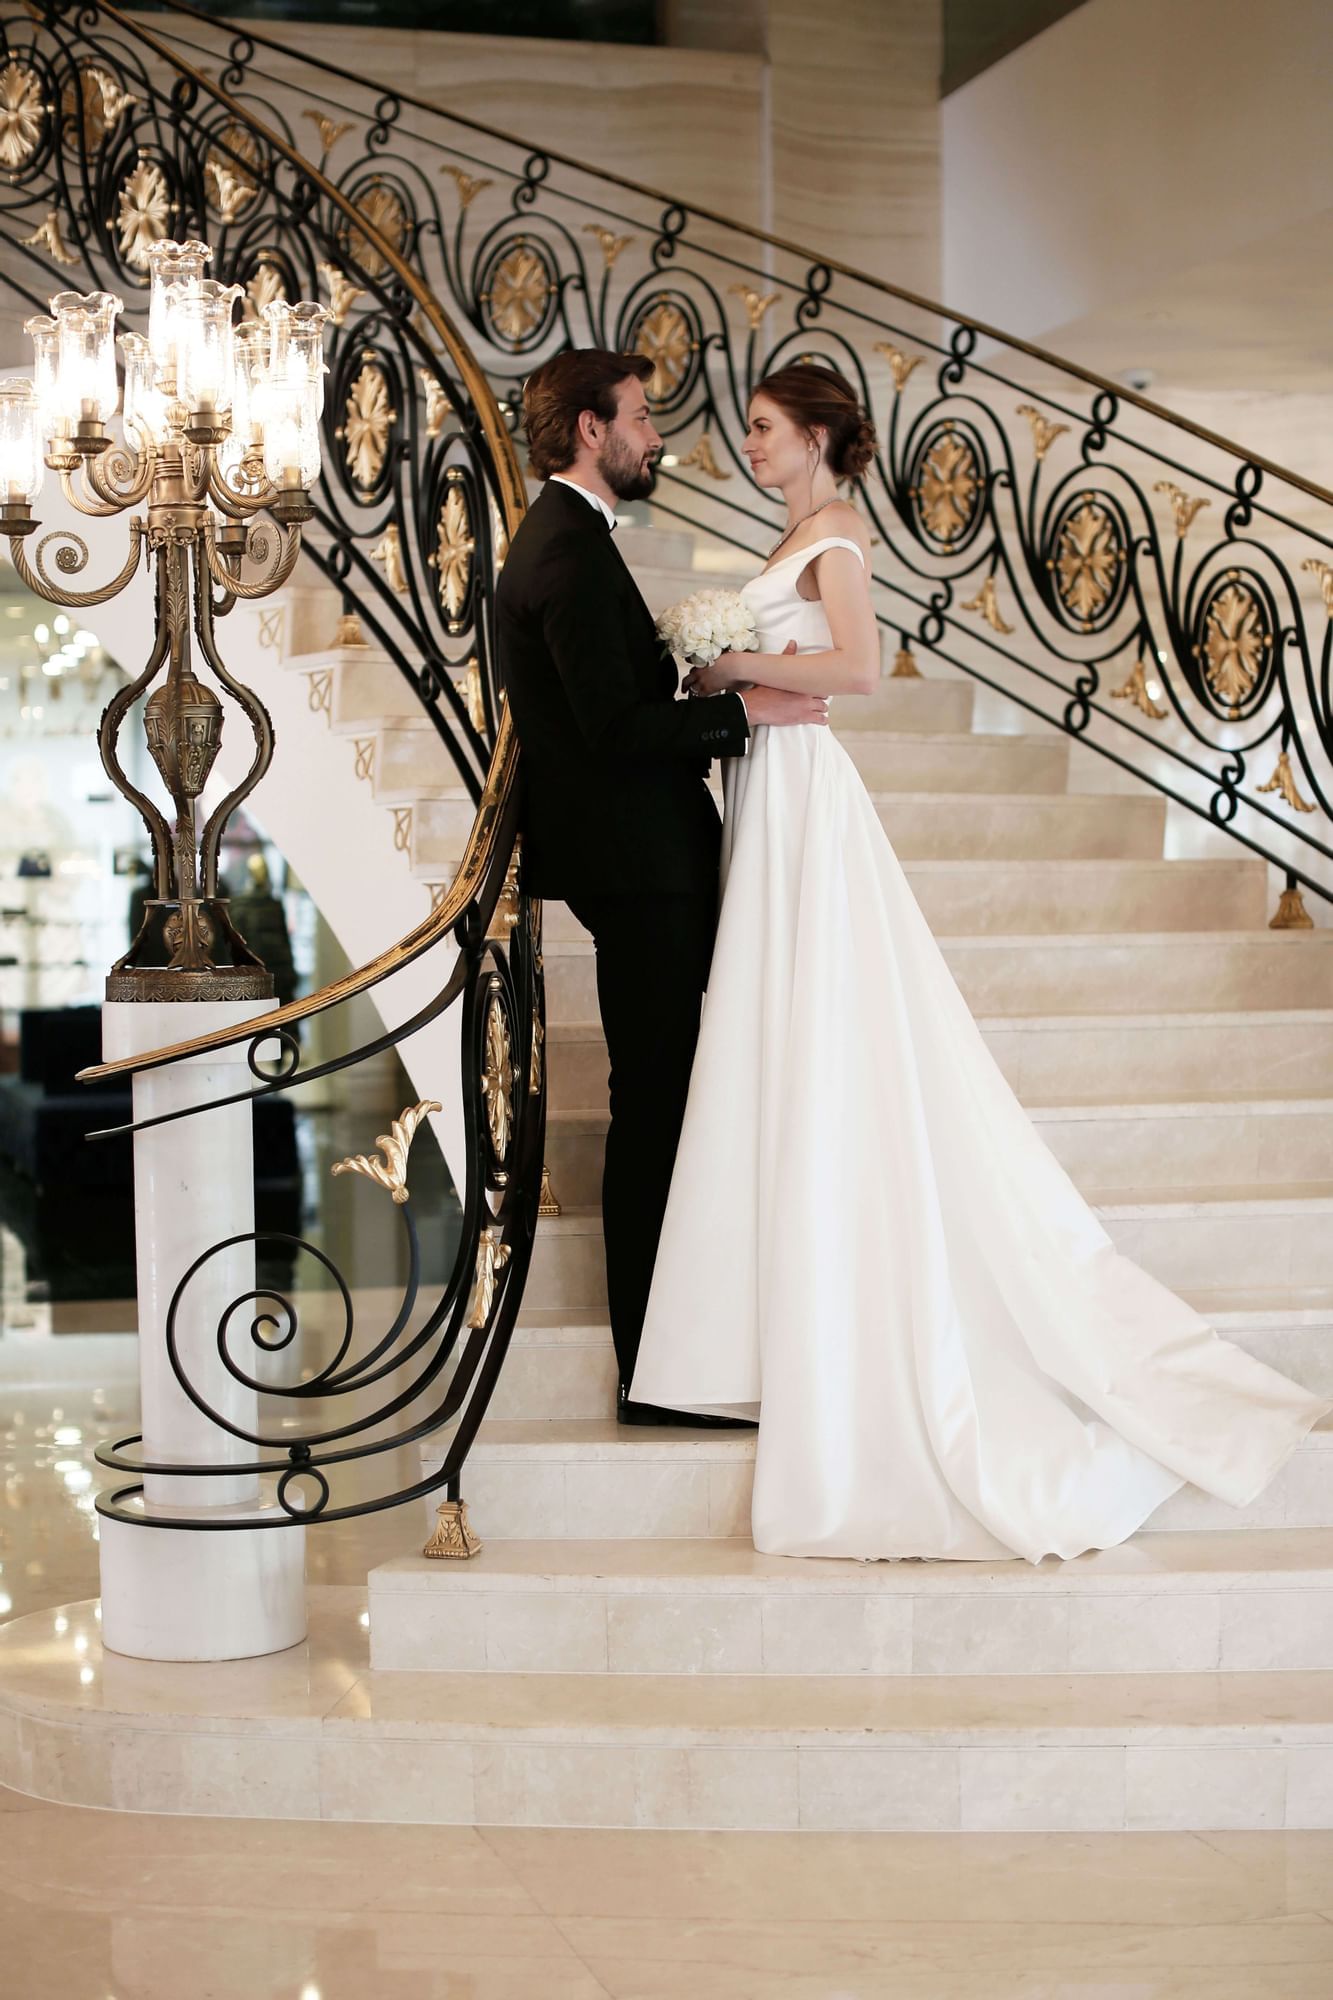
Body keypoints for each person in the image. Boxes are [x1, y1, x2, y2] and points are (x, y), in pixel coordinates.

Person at [628, 361, 1329, 1561]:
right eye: (746, 429)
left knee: (820, 1028)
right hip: (767, 787)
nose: (746, 444)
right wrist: (716, 674)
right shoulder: (797, 529)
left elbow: (854, 668)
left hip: (804, 794)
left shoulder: (836, 533)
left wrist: (740, 668)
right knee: (773, 1033)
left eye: (761, 428)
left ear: (817, 436)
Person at [495, 348, 828, 1425]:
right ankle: (653, 1370)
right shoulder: (565, 551)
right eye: (639, 415)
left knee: (670, 1105)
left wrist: (692, 678)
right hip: (639, 870)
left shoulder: (572, 541)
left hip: (642, 861)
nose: (653, 434)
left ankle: (674, 1352)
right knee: (656, 1114)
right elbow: (615, 730)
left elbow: (611, 704)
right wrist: (744, 715)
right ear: (591, 430)